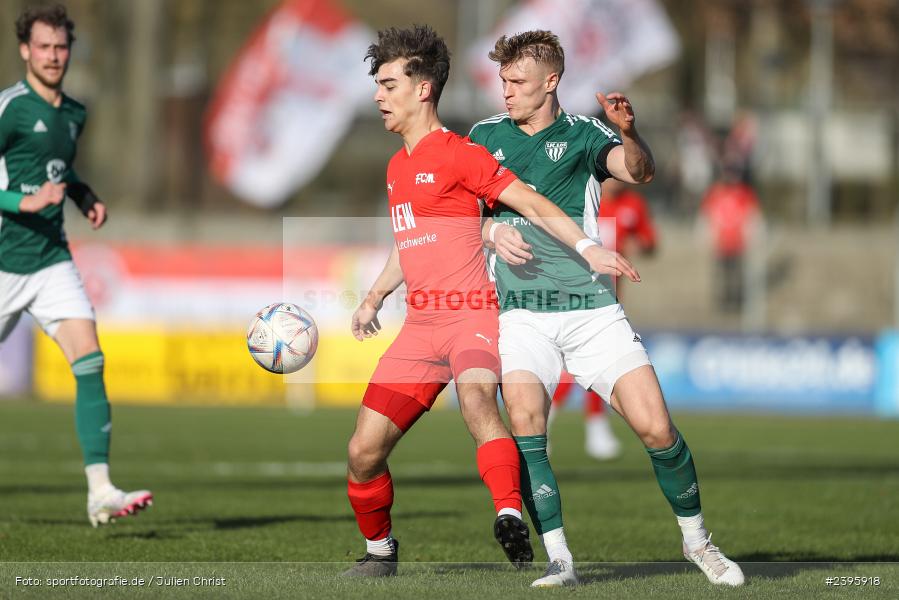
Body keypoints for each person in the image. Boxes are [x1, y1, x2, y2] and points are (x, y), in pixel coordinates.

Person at [344, 25, 638, 577]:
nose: (378, 96)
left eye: (387, 84)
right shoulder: (396, 167)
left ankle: (508, 513)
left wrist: (586, 246)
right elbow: (411, 243)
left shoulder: (460, 152)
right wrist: (374, 298)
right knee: (363, 453)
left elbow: (527, 198)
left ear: (423, 88)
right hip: (420, 328)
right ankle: (380, 551)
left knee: (480, 407)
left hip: (472, 315)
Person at [471, 30, 744, 587]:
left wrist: (629, 131)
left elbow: (639, 172)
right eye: (502, 81)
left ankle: (699, 543)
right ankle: (560, 560)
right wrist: (490, 228)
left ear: (552, 82)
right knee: (527, 425)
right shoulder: (482, 136)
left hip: (591, 312)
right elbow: (457, 213)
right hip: (520, 314)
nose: (506, 91)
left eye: (517, 82)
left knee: (657, 429)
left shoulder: (584, 135)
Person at [0, 5, 152, 527]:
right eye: (43, 46)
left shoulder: (74, 113)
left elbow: (59, 171)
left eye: (61, 47)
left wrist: (84, 196)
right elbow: (28, 186)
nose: (53, 56)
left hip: (49, 260)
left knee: (89, 359)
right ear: (25, 50)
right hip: (2, 260)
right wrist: (25, 202)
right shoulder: (10, 109)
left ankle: (100, 491)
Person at [549, 178, 658, 461]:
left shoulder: (632, 204)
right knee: (572, 365)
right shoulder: (578, 197)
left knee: (600, 364)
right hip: (572, 294)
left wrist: (644, 243)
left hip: (608, 301)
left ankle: (593, 428)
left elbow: (649, 241)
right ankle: (550, 424)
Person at [698, 165, 761, 312]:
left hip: (738, 243)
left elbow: (752, 216)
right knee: (721, 274)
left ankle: (737, 302)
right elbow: (706, 216)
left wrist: (754, 236)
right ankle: (722, 303)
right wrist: (705, 236)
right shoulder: (715, 193)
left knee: (737, 274)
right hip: (720, 243)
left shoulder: (745, 194)